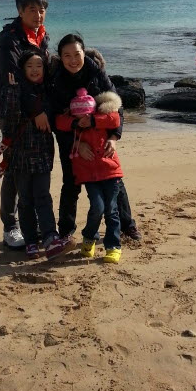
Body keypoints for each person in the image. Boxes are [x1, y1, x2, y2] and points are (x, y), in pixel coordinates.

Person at [50, 33, 141, 243]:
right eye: (67, 55)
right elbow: (56, 122)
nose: (73, 60)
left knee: (114, 182)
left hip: (101, 139)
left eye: (77, 54)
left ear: (84, 53)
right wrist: (77, 144)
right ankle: (66, 230)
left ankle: (128, 225)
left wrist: (114, 137)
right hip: (71, 143)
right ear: (60, 57)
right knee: (71, 184)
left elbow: (117, 108)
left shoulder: (98, 74)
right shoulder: (56, 81)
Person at [0, 50, 74, 261]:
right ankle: (31, 240)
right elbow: (9, 122)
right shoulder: (13, 90)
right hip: (20, 158)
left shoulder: (48, 90)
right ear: (22, 69)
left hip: (42, 156)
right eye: (29, 66)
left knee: (43, 197)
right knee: (25, 200)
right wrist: (13, 91)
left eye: (39, 66)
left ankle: (50, 238)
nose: (34, 70)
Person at [0, 0, 50, 250]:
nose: (38, 15)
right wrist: (36, 111)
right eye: (32, 10)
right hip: (14, 111)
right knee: (14, 168)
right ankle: (10, 225)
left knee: (35, 165)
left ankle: (31, 221)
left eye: (42, 10)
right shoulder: (10, 40)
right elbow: (13, 82)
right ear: (20, 11)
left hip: (39, 111)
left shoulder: (42, 36)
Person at [55, 87, 124, 263]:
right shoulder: (75, 129)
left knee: (112, 210)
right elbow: (59, 122)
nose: (83, 118)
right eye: (80, 115)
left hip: (110, 172)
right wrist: (76, 123)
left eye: (87, 114)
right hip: (89, 177)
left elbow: (115, 118)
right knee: (97, 208)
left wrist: (93, 120)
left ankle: (113, 246)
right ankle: (89, 237)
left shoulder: (101, 119)